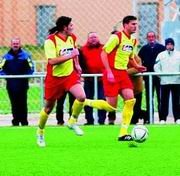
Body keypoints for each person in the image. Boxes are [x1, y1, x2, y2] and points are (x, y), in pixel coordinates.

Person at [36, 16, 116, 147]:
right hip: (54, 78)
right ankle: (40, 132)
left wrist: (77, 65)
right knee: (49, 107)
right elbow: (51, 61)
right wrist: (70, 56)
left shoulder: (72, 38)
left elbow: (74, 53)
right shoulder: (50, 41)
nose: (73, 27)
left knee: (81, 96)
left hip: (70, 75)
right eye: (71, 25)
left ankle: (72, 121)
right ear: (64, 27)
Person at [101, 15, 146, 141]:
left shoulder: (132, 40)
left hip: (122, 73)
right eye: (132, 24)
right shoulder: (116, 37)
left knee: (131, 100)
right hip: (112, 72)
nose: (135, 26)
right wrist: (108, 71)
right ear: (125, 25)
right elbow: (103, 53)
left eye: (136, 24)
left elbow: (130, 57)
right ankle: (85, 102)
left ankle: (123, 133)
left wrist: (137, 66)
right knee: (111, 107)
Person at [80, 32, 116, 125]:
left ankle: (101, 120)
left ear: (98, 38)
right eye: (91, 37)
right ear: (88, 39)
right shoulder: (83, 50)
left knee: (102, 99)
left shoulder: (103, 48)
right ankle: (89, 120)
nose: (93, 39)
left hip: (102, 79)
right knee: (87, 99)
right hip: (89, 79)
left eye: (95, 37)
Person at [0, 37, 34, 126]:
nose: (15, 45)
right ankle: (15, 121)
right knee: (14, 103)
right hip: (11, 85)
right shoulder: (6, 57)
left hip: (23, 84)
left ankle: (24, 122)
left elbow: (31, 68)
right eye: (14, 43)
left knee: (23, 103)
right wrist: (7, 77)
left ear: (20, 44)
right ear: (11, 45)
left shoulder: (26, 56)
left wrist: (26, 77)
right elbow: (1, 69)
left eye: (17, 43)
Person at [138, 31, 165, 124]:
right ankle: (150, 118)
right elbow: (139, 60)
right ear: (147, 38)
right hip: (148, 77)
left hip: (159, 77)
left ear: (155, 37)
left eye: (153, 36)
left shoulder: (161, 48)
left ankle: (162, 118)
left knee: (160, 98)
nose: (151, 38)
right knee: (149, 98)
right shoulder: (144, 49)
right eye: (149, 37)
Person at [154, 38, 180, 124]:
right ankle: (163, 119)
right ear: (165, 45)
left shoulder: (178, 54)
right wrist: (161, 76)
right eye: (168, 44)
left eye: (171, 44)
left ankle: (177, 118)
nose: (169, 46)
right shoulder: (161, 55)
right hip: (164, 82)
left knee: (177, 101)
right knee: (163, 101)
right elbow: (156, 67)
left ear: (173, 45)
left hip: (176, 81)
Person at [127, 56, 146, 124]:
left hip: (136, 87)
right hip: (126, 87)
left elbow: (137, 68)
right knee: (129, 105)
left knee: (136, 105)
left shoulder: (136, 58)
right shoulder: (120, 57)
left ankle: (135, 119)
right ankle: (142, 115)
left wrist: (123, 72)